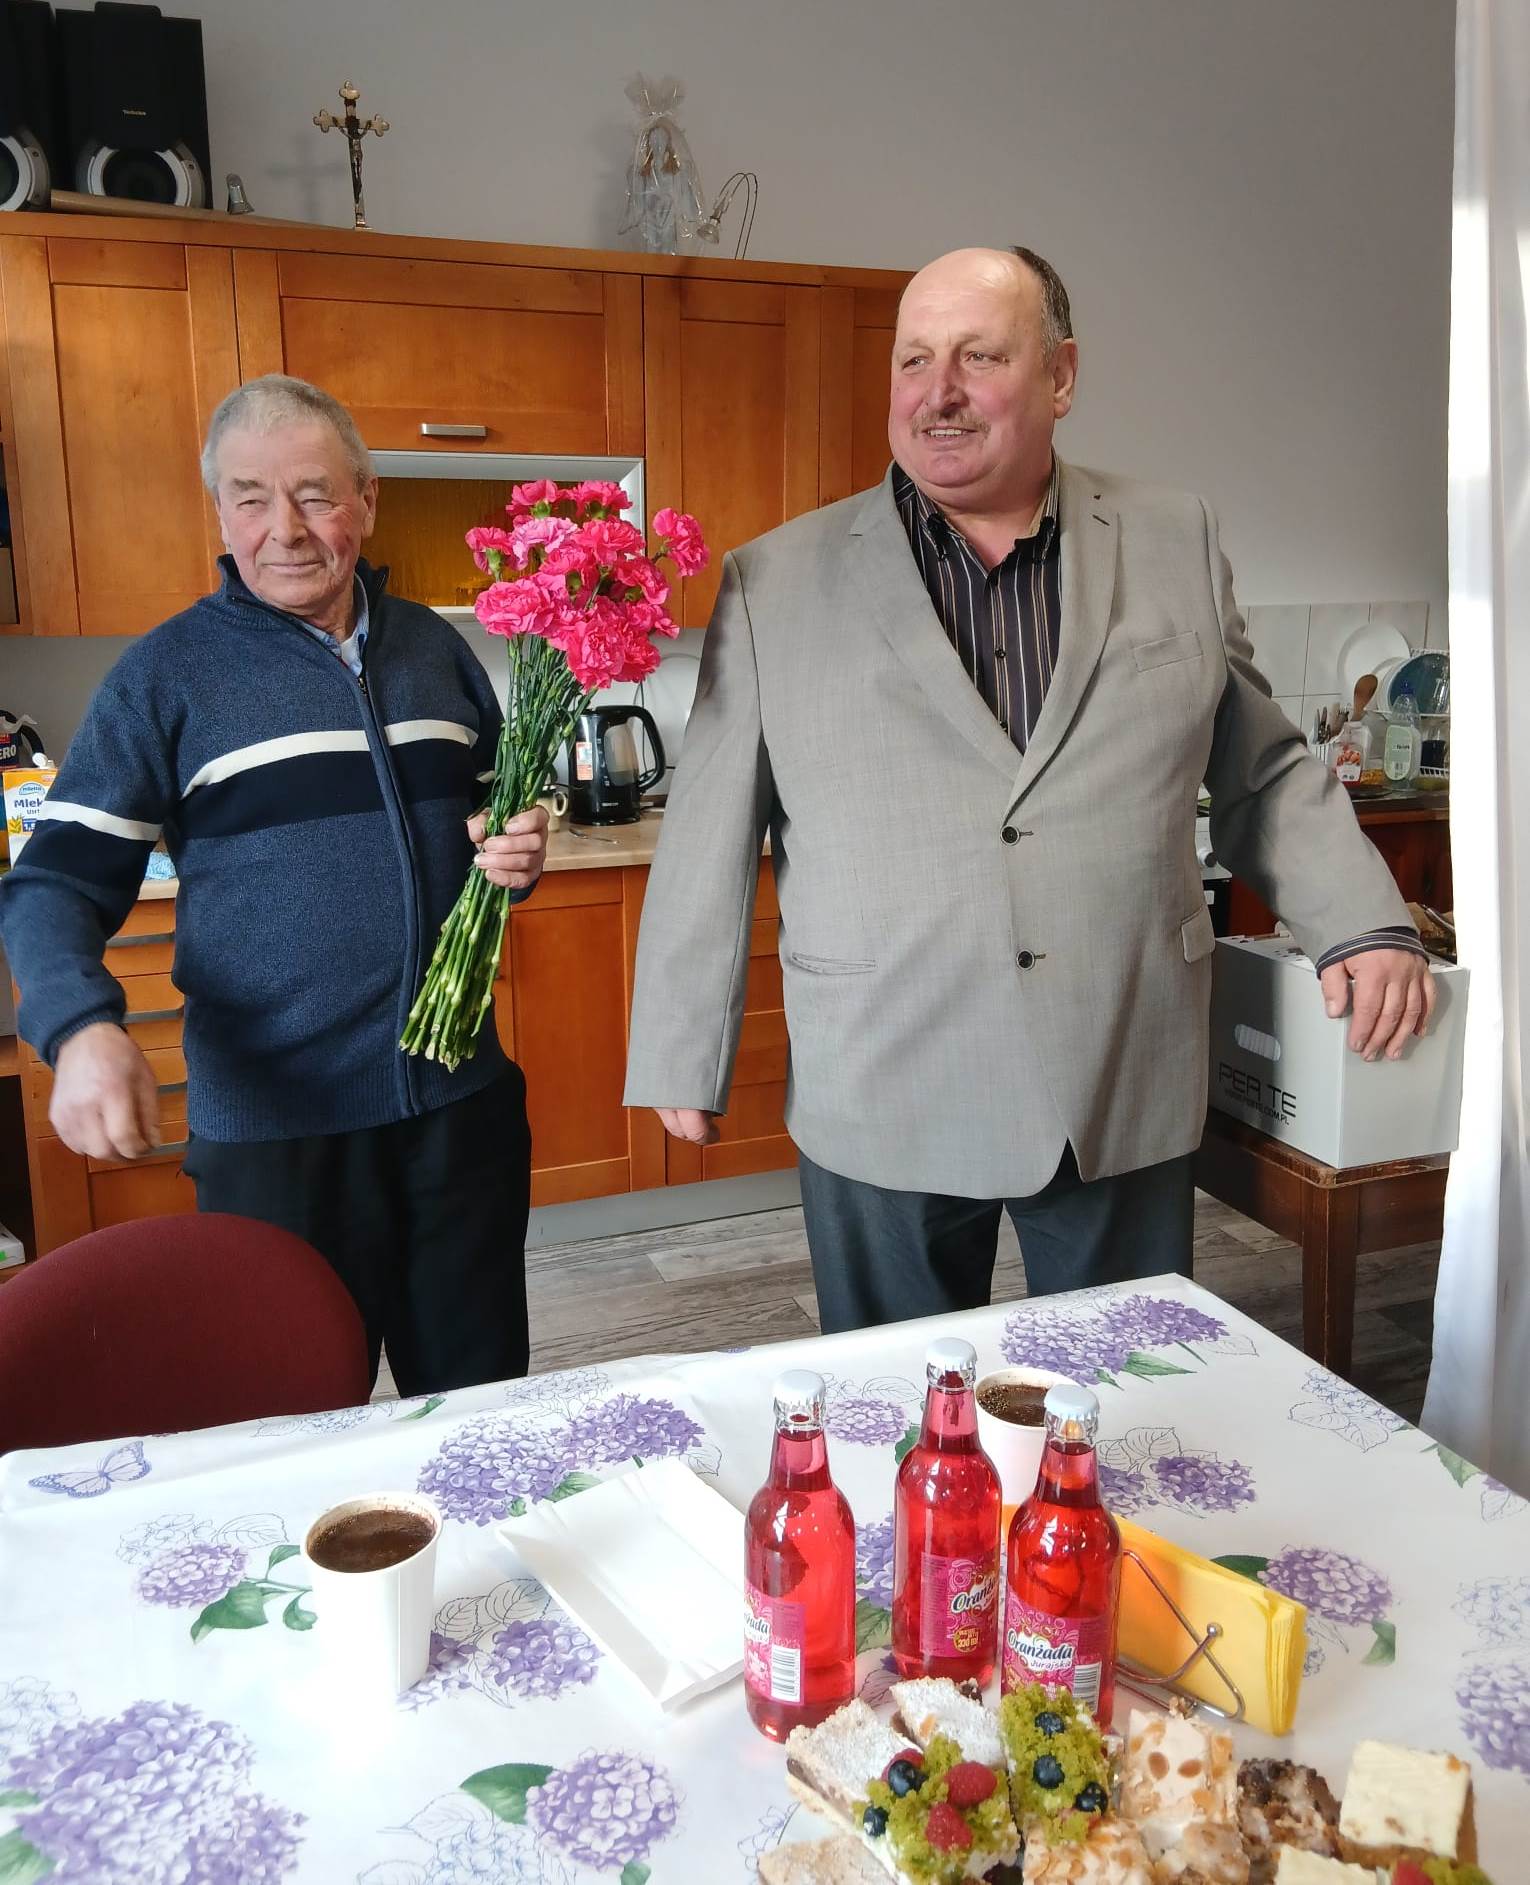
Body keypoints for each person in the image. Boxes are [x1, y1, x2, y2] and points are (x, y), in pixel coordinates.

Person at [623, 246, 1433, 1333]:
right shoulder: (776, 579)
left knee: (1125, 1386)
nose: (938, 392)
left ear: (1061, 376)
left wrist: (1364, 921)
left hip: (1118, 1055)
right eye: (915, 360)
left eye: (979, 356)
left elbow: (1263, 765)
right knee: (896, 1401)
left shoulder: (1175, 538)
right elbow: (711, 828)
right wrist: (683, 1043)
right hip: (883, 1068)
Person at [0, 374, 547, 1393]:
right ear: (220, 511)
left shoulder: (437, 650)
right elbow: (51, 883)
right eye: (250, 497)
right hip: (277, 1141)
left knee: (478, 1414)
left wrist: (516, 859)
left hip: (456, 1115)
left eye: (315, 494)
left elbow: (490, 831)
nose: (284, 529)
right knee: (289, 1418)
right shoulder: (166, 677)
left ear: (366, 500)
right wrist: (79, 1027)